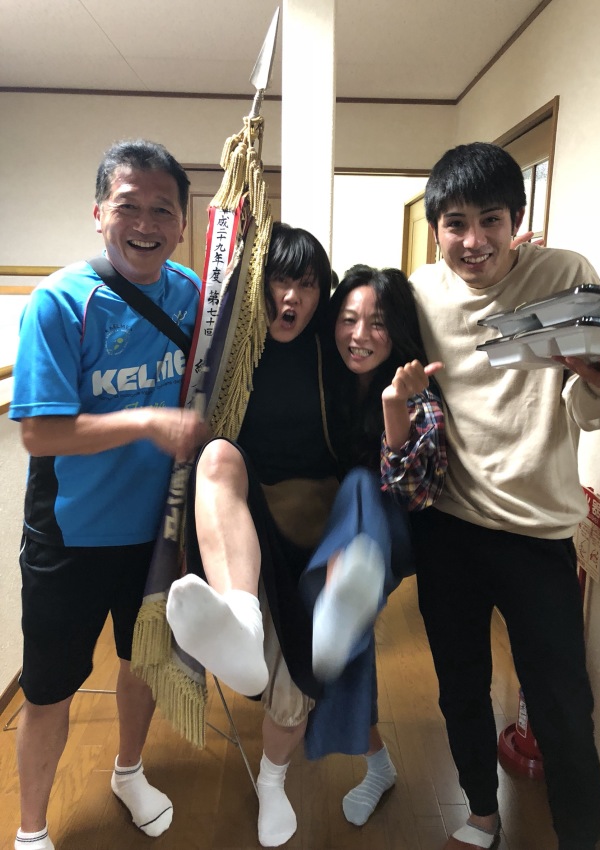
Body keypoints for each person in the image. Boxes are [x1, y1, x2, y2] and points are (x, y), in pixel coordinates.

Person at [409, 141, 600, 850]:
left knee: (564, 705)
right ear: (435, 227)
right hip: (447, 528)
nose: (473, 241)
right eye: (455, 223)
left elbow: (588, 408)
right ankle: (482, 813)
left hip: (539, 534)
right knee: (459, 688)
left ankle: (577, 838)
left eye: (490, 221)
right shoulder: (418, 293)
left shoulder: (563, 276)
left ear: (517, 220)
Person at [9, 139, 209, 850]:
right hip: (70, 534)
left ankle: (129, 771)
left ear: (182, 222)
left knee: (142, 662)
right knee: (48, 689)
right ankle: (31, 830)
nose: (145, 224)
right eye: (128, 206)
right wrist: (147, 422)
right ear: (99, 213)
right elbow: (40, 434)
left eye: (162, 209)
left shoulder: (191, 293)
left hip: (157, 531)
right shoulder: (60, 302)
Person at [166, 221, 339, 848]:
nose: (290, 298)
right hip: (246, 516)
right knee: (217, 455)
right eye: (279, 281)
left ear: (322, 293)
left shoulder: (333, 352)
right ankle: (240, 616)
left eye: (307, 285)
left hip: (317, 528)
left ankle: (272, 781)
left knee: (294, 680)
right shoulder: (231, 353)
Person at [300, 264, 447, 827]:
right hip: (335, 542)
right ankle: (378, 764)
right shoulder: (325, 381)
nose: (359, 335)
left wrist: (392, 407)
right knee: (343, 635)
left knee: (363, 485)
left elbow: (413, 494)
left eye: (377, 323)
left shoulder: (419, 395)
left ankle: (340, 588)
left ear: (398, 331)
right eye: (348, 319)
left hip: (395, 537)